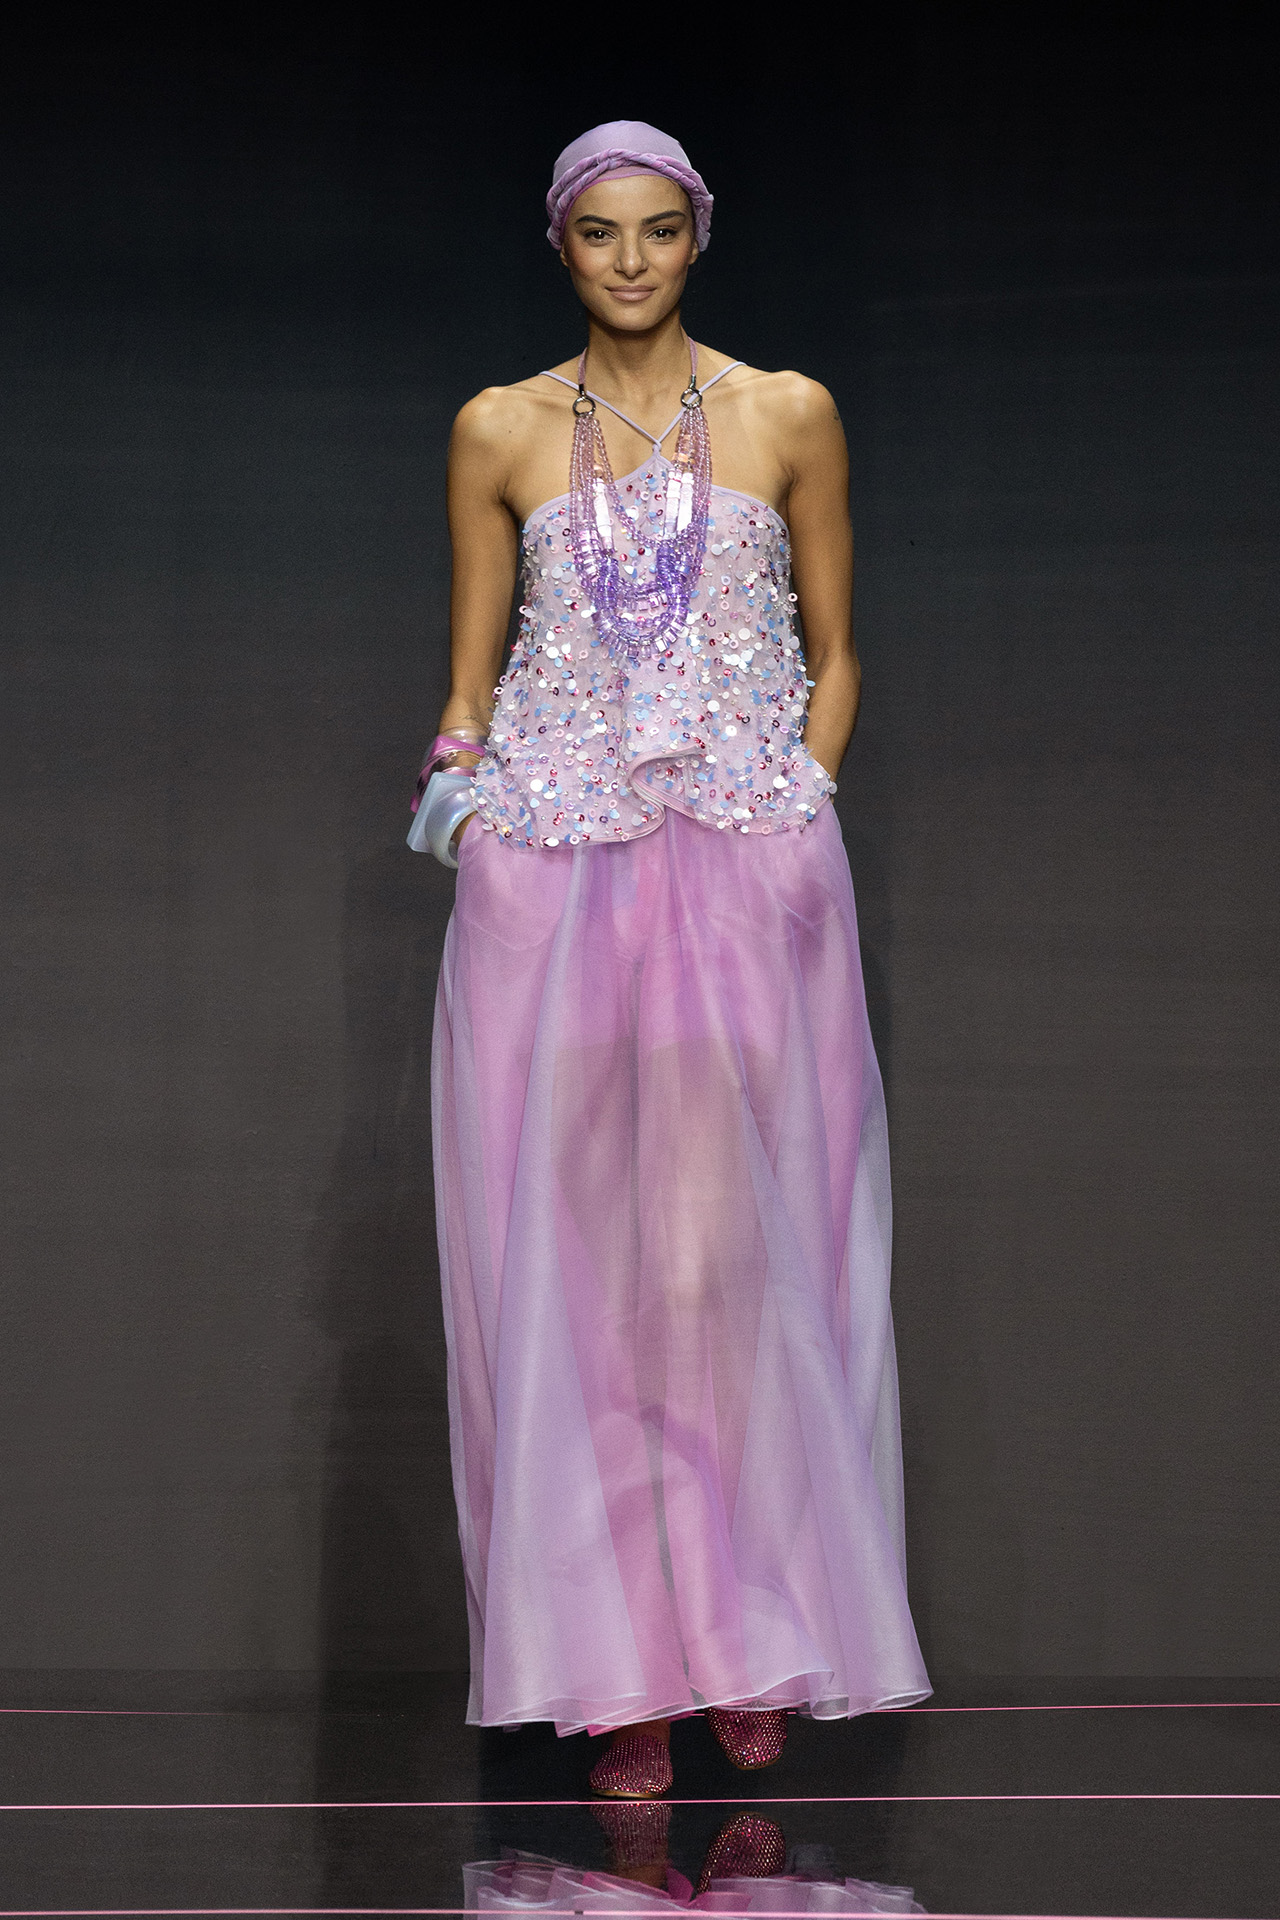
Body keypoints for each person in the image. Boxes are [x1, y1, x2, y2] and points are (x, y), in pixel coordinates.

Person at [410, 121, 930, 1799]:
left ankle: (746, 1638)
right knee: (574, 1272)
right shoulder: (500, 428)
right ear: (559, 246)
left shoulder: (788, 413)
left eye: (656, 230)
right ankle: (616, 1674)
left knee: (730, 1264)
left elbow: (838, 650)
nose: (629, 260)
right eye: (598, 233)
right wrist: (463, 800)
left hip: (746, 867)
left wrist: (801, 797)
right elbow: (472, 677)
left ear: (697, 237)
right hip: (556, 884)